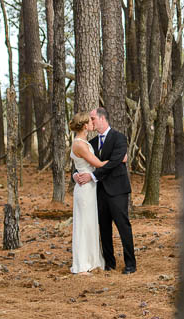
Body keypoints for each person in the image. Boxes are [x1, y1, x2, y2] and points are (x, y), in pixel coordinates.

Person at [73, 107, 137, 274]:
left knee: (123, 226)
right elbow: (83, 163)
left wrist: (93, 176)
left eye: (93, 119)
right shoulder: (90, 143)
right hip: (98, 192)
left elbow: (113, 164)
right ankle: (109, 263)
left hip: (117, 190)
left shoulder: (119, 138)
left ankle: (130, 263)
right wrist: (76, 174)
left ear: (102, 119)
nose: (91, 122)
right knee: (104, 228)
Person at [68, 111, 107, 274]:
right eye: (90, 121)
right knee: (83, 225)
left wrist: (75, 174)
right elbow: (97, 164)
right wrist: (119, 159)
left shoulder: (84, 142)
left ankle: (93, 261)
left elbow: (81, 166)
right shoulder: (79, 144)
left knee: (91, 224)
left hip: (90, 186)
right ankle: (82, 264)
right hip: (84, 190)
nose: (92, 123)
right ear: (84, 126)